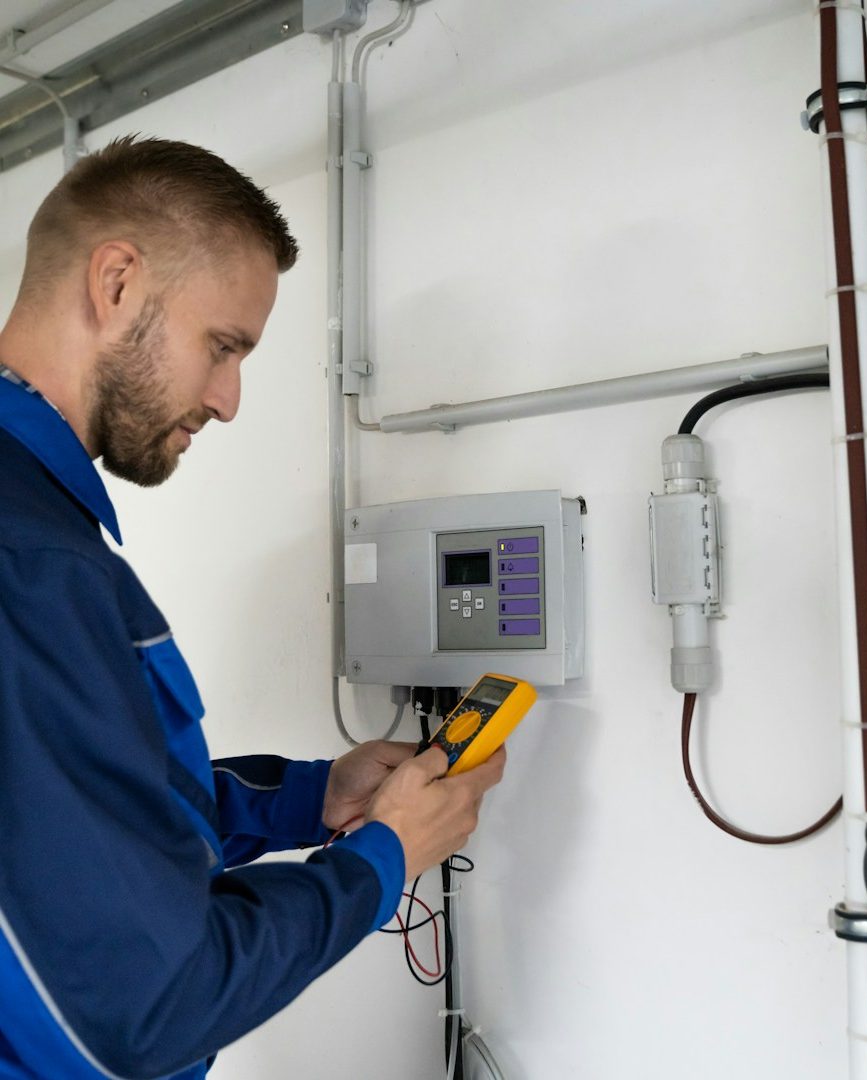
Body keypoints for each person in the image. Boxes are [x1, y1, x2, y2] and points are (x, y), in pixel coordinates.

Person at [0, 135, 506, 1080]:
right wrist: (383, 859)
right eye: (222, 346)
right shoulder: (33, 561)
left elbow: (61, 823)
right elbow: (146, 1011)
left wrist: (310, 800)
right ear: (116, 283)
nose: (229, 400)